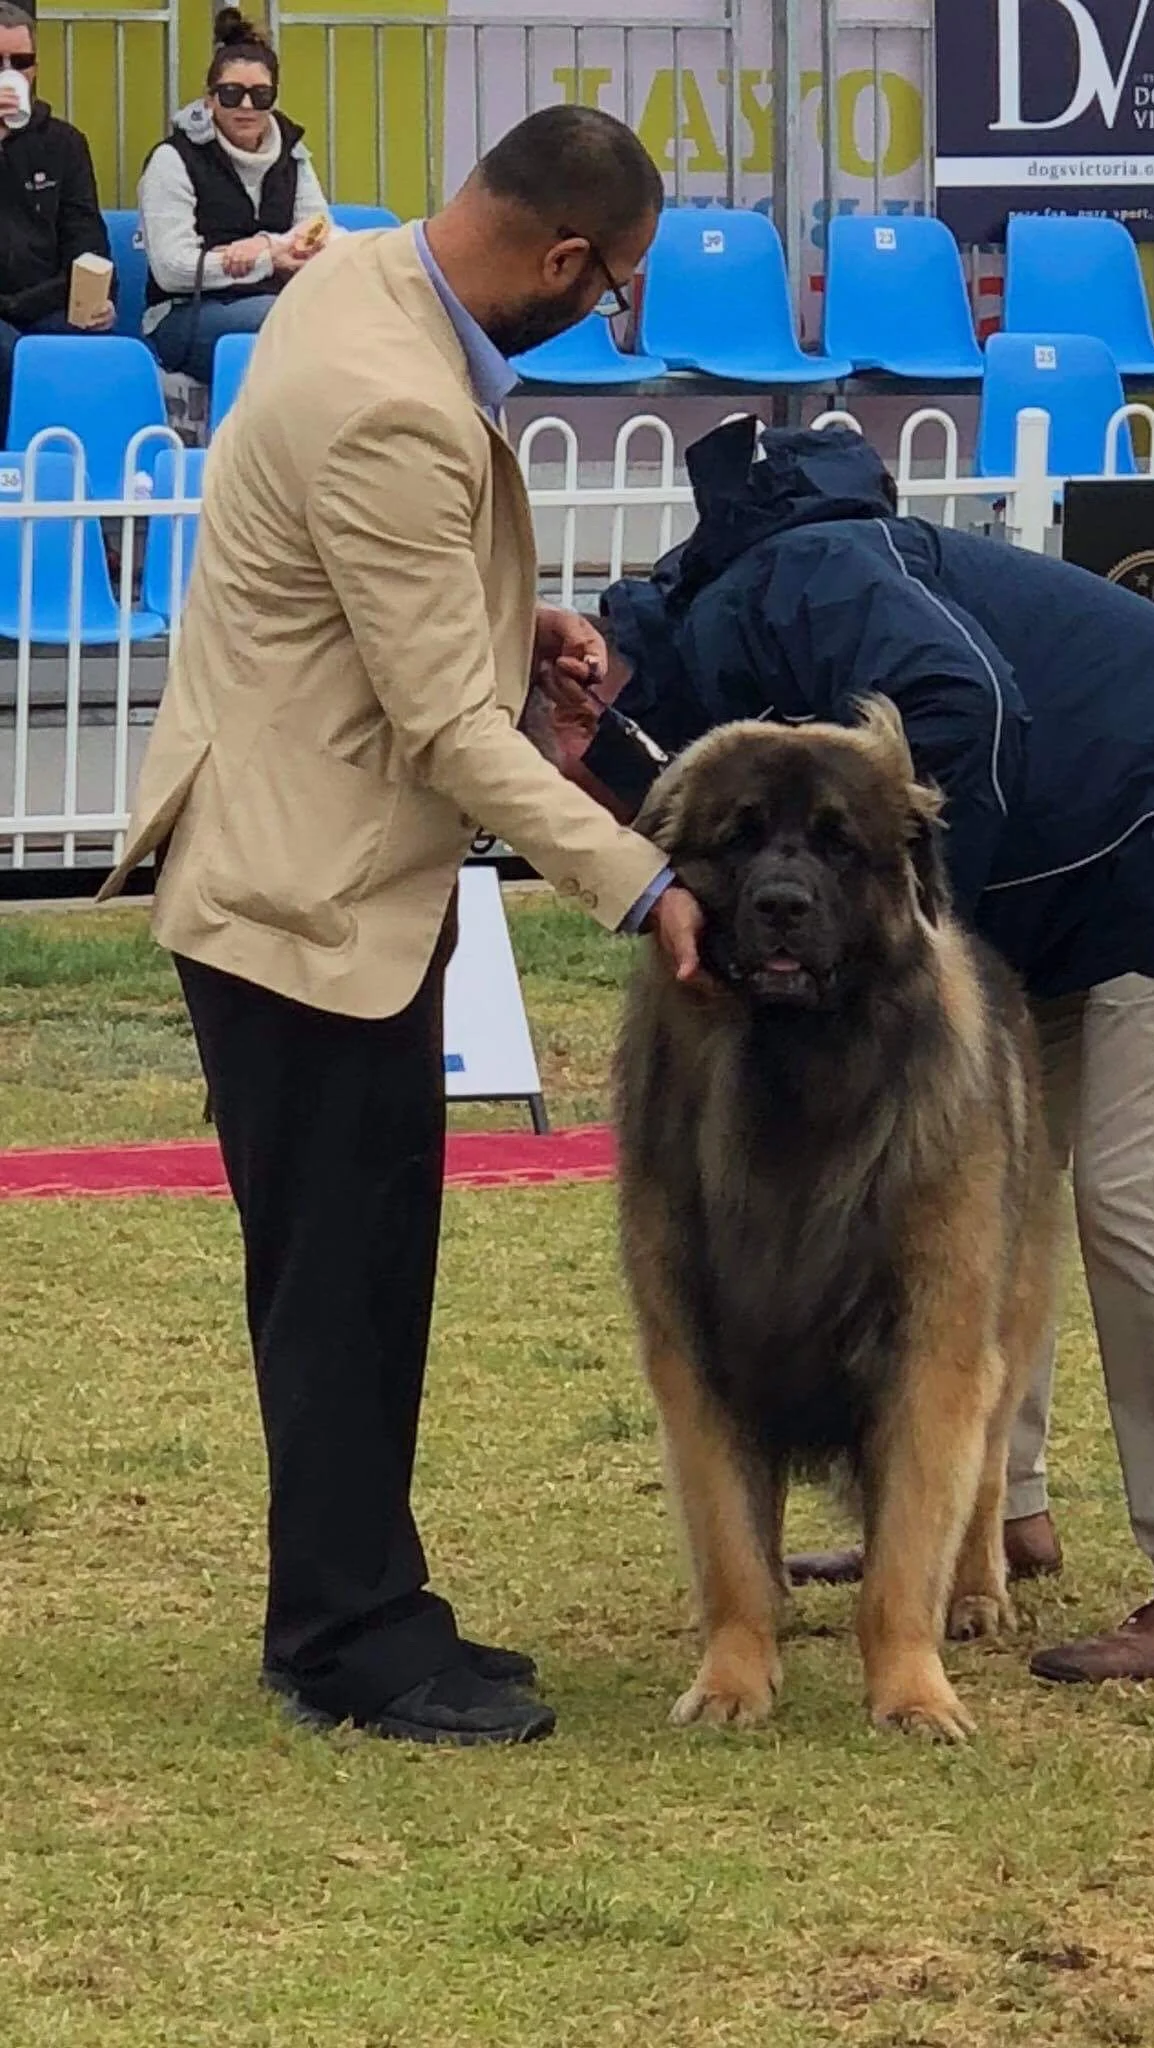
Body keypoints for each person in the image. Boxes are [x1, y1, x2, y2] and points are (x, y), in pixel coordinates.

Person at [538, 417, 1154, 1687]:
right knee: (991, 1217)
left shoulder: (802, 574)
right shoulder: (730, 642)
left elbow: (960, 705)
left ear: (609, 676)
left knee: (1146, 1195)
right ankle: (978, 1523)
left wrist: (911, 919)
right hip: (1068, 883)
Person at [99, 107, 704, 1748]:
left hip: (301, 865)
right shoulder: (392, 404)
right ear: (567, 259)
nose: (611, 324)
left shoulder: (358, 277)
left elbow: (382, 611)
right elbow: (444, 722)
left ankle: (366, 1605)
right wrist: (644, 882)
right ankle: (349, 1637)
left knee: (356, 1270)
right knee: (341, 1282)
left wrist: (523, 622)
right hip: (308, 896)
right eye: (621, 295)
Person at [138, 8, 336, 385]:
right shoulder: (172, 158)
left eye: (260, 95)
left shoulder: (293, 153)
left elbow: (320, 229)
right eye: (231, 94)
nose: (246, 106)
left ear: (274, 99)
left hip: (278, 301)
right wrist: (271, 260)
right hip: (185, 313)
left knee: (346, 314)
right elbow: (174, 268)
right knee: (290, 320)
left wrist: (264, 244)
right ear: (210, 99)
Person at [0, 0, 114, 421]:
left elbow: (85, 233)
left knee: (100, 355)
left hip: (46, 303)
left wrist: (100, 297)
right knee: (12, 357)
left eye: (21, 62)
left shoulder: (64, 143)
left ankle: (89, 477)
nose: (9, 73)